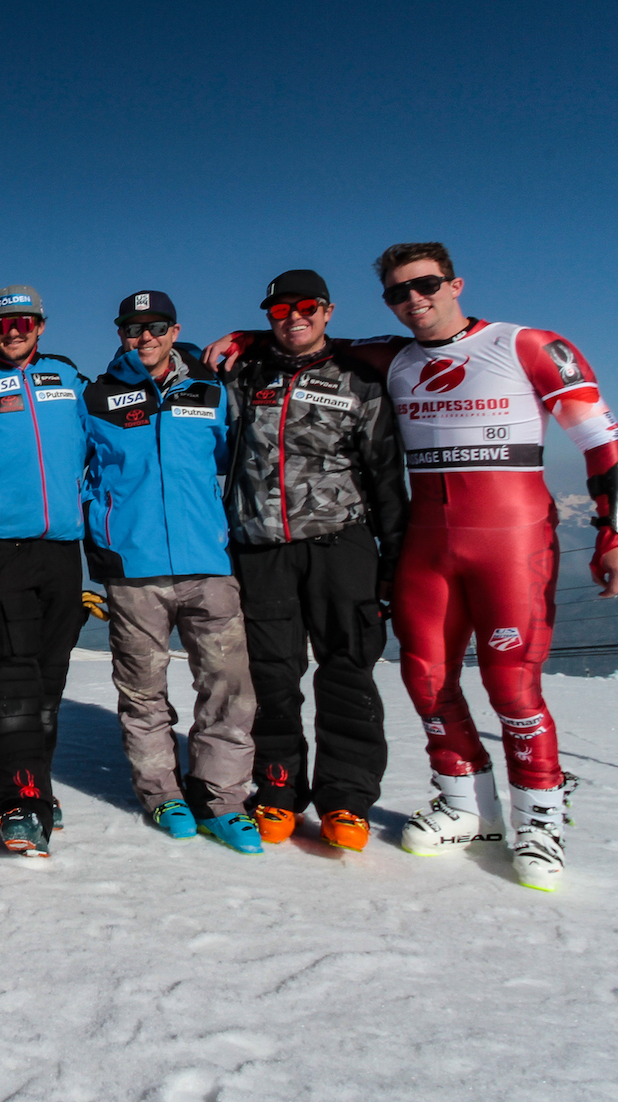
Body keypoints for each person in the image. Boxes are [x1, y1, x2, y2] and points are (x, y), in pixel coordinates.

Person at [369, 244, 618, 889]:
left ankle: (540, 820)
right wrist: (241, 337)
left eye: (426, 284)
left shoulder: (529, 345)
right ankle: (467, 808)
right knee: (424, 677)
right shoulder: (392, 358)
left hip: (511, 542)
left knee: (512, 686)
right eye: (399, 292)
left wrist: (617, 537)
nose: (414, 299)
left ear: (456, 282)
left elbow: (605, 444)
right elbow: (312, 345)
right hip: (427, 545)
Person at [222, 270, 407, 851]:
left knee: (348, 670)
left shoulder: (360, 380)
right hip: (261, 548)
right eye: (279, 310)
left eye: (306, 307)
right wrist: (243, 338)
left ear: (328, 311)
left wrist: (393, 563)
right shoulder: (246, 374)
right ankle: (277, 788)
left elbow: (384, 475)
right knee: (272, 676)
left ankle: (346, 799)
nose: (293, 317)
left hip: (340, 545)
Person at [82, 291, 259, 854]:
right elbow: (77, 472)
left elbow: (236, 466)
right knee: (143, 691)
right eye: (131, 328)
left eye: (154, 326)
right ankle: (162, 792)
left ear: (174, 328)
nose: (144, 337)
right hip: (134, 568)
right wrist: (101, 545)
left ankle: (222, 798)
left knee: (228, 687)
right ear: (119, 334)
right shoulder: (98, 395)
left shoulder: (211, 389)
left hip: (208, 562)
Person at [0, 285, 91, 856]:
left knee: (50, 676)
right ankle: (16, 802)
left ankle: (40, 789)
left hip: (61, 546)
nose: (14, 331)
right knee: (13, 675)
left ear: (41, 325)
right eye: (3, 324)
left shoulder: (69, 380)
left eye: (24, 321)